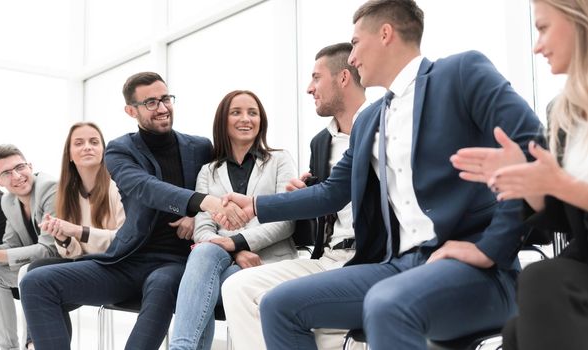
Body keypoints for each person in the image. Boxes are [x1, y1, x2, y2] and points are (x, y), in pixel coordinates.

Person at [217, 1, 544, 349]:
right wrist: (254, 204)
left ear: (385, 34)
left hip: (475, 270)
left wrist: (492, 248)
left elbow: (533, 147)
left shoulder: (462, 72)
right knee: (278, 304)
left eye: (356, 43)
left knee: (388, 303)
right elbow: (331, 193)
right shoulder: (371, 120)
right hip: (398, 266)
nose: (352, 57)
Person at [20, 72, 247, 350]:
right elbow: (145, 188)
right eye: (151, 102)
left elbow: (222, 185)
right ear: (131, 110)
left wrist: (196, 214)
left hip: (178, 262)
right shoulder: (119, 150)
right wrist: (201, 202)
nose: (162, 108)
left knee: (162, 285)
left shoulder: (200, 147)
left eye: (165, 99)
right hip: (128, 259)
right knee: (36, 282)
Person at [450, 1, 588, 349]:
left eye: (542, 28)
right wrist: (529, 185)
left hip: (569, 274)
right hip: (579, 266)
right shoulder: (565, 113)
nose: (536, 45)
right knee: (515, 332)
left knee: (542, 280)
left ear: (579, 21)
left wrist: (562, 185)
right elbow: (561, 222)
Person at [221, 42, 367, 350]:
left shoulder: (382, 127)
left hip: (368, 259)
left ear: (343, 78)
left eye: (316, 78)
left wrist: (257, 207)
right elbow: (325, 200)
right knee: (237, 288)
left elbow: (335, 195)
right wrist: (306, 196)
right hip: (328, 257)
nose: (308, 88)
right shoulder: (320, 143)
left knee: (319, 327)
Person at [169, 90, 298, 350]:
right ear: (223, 121)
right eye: (236, 112)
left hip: (268, 262)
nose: (246, 119)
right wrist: (237, 249)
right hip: (223, 260)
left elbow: (285, 220)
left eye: (253, 113)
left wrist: (237, 242)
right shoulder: (208, 171)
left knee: (201, 288)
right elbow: (202, 229)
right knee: (204, 257)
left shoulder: (280, 160)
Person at [23, 122, 126, 349]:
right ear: (69, 154)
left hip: (116, 268)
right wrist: (62, 237)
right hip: (86, 266)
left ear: (103, 150)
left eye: (94, 142)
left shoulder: (117, 186)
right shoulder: (67, 192)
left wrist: (78, 231)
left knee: (39, 283)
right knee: (36, 268)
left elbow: (125, 239)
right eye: (78, 143)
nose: (87, 147)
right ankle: (34, 344)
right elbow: (73, 253)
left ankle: (33, 344)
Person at [0, 144, 57, 350]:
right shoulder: (8, 201)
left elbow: (50, 249)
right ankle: (8, 347)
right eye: (6, 173)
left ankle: (30, 345)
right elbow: (10, 245)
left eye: (20, 167)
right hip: (36, 267)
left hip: (72, 263)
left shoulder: (50, 188)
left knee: (27, 274)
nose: (16, 176)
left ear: (30, 166)